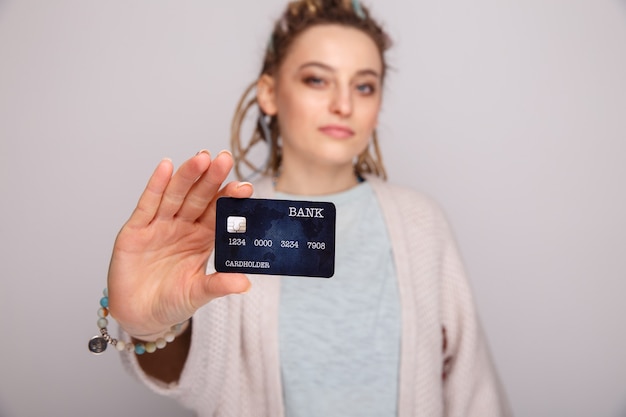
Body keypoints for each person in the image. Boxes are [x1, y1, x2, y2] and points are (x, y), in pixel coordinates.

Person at [102, 0, 512, 416]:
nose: (344, 104)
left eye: (364, 85)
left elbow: (473, 392)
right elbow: (198, 380)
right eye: (317, 80)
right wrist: (150, 326)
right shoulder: (226, 224)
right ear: (269, 92)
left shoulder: (421, 223)